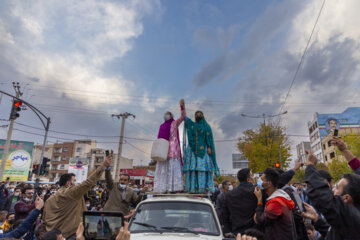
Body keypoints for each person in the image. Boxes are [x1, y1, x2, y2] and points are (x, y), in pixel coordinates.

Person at [42, 151, 113, 239]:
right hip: (70, 235)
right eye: (74, 181)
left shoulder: (50, 199)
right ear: (68, 184)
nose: (76, 184)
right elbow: (88, 182)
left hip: (52, 236)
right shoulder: (71, 193)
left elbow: (44, 220)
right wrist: (103, 166)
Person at [304, 149, 360, 239]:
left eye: (337, 188)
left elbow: (319, 194)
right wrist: (317, 220)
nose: (333, 189)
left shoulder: (350, 218)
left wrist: (310, 166)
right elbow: (335, 233)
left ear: (346, 198)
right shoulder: (347, 219)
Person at [254, 168, 297, 240]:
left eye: (262, 179)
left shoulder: (276, 202)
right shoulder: (278, 198)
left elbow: (261, 220)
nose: (259, 181)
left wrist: (259, 201)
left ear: (269, 183)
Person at [183, 110, 220, 193]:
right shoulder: (192, 125)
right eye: (196, 114)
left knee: (202, 170)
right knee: (192, 169)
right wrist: (182, 106)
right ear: (195, 116)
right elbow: (184, 117)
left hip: (203, 151)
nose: (198, 115)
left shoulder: (206, 126)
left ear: (203, 116)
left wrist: (209, 147)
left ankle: (202, 188)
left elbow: (209, 138)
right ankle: (192, 188)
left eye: (200, 114)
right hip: (192, 150)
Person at [154, 99, 186, 193]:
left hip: (172, 150)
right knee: (163, 170)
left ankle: (173, 189)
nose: (166, 115)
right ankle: (163, 189)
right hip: (163, 151)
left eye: (168, 114)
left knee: (173, 169)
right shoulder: (161, 126)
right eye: (165, 114)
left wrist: (182, 107)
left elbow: (183, 116)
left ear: (171, 116)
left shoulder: (174, 123)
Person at [222, 168, 257, 237]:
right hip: (254, 231)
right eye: (252, 176)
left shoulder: (230, 194)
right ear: (248, 179)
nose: (254, 178)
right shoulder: (257, 192)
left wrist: (228, 230)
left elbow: (225, 214)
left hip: (236, 231)